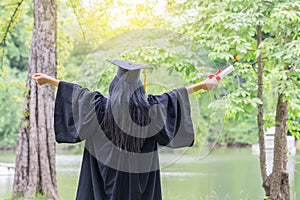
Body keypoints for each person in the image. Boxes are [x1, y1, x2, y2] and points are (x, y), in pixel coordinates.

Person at [32, 60, 217, 200]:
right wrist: (201, 85)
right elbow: (174, 97)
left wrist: (50, 81)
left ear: (114, 85)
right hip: (139, 186)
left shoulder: (99, 108)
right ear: (139, 88)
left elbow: (77, 93)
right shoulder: (151, 111)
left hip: (102, 184)